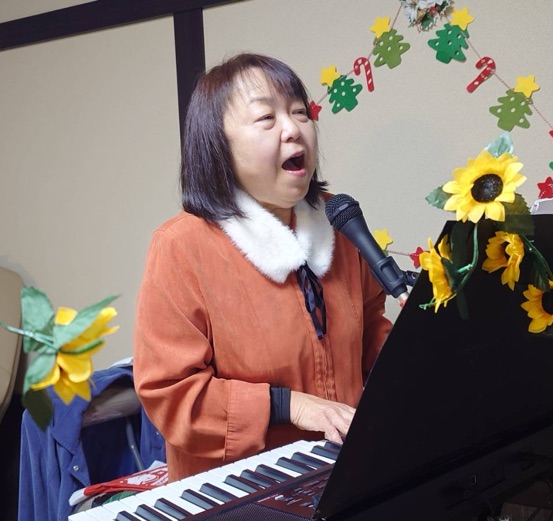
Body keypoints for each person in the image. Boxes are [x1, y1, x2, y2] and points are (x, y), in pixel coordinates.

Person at [133, 53, 393, 481]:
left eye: (299, 112)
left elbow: (370, 334)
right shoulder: (181, 246)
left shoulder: (337, 221)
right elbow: (173, 396)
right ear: (218, 145)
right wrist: (290, 405)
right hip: (237, 493)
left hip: (343, 474)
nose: (293, 129)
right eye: (266, 118)